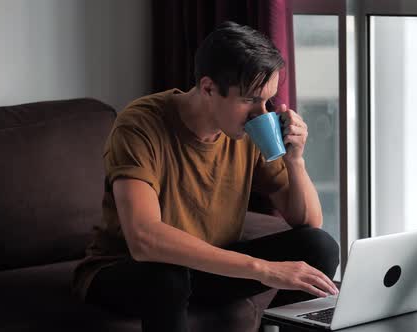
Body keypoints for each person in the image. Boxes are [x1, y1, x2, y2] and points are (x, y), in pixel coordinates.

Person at [72, 21, 339, 332]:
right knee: (168, 274)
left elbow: (308, 221)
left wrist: (296, 160)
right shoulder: (140, 125)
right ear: (209, 88)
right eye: (251, 99)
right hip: (128, 270)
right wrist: (262, 269)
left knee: (319, 246)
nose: (262, 113)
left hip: (207, 268)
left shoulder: (249, 130)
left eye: (267, 100)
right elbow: (144, 239)